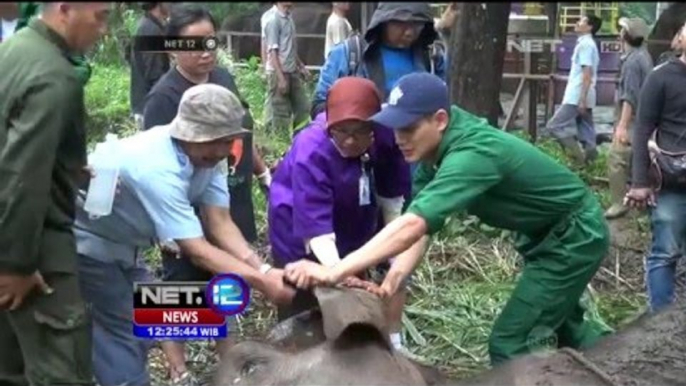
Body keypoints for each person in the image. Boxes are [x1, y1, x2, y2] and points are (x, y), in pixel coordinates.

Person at [284, 72, 613, 366]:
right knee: (568, 328)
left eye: (409, 128)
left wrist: (334, 271)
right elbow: (424, 224)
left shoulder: (471, 156)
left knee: (509, 342)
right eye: (396, 128)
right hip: (545, 235)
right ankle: (622, 361)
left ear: (439, 120)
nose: (400, 139)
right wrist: (396, 275)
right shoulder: (435, 151)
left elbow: (411, 225)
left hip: (572, 237)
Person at [74, 84, 296, 386]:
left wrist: (265, 269)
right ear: (190, 134)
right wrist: (263, 283)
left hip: (125, 248)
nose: (222, 150)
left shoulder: (210, 160)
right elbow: (196, 249)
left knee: (149, 318)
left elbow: (219, 223)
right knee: (126, 326)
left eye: (228, 140)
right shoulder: (155, 166)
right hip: (87, 247)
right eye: (214, 141)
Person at [141, 5, 272, 383]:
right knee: (180, 291)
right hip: (184, 209)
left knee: (224, 286)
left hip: (227, 197)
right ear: (173, 49)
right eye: (193, 43)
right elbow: (154, 166)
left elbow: (243, 133)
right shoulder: (163, 99)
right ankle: (178, 369)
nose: (205, 51)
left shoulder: (224, 80)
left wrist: (262, 172)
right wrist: (164, 229)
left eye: (210, 41)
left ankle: (227, 364)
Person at [0, 3, 111, 385]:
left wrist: (66, 166)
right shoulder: (54, 76)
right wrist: (16, 264)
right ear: (65, 9)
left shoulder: (15, 50)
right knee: (61, 368)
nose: (104, 30)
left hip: (13, 229)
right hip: (35, 246)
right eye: (101, 16)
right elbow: (21, 174)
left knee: (11, 364)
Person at [268, 77, 411, 349]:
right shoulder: (312, 148)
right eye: (341, 131)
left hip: (354, 223)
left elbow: (392, 199)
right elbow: (316, 230)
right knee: (306, 299)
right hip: (300, 231)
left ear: (374, 124)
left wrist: (394, 257)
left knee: (352, 293)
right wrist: (339, 274)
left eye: (359, 131)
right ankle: (297, 355)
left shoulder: (385, 135)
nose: (349, 140)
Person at [624, 22, 686, 314]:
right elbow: (642, 128)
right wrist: (639, 181)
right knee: (666, 251)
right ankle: (661, 323)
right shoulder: (661, 77)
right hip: (670, 181)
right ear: (681, 39)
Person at [311, 2, 446, 118]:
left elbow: (447, 104)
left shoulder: (432, 58)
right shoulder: (350, 54)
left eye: (417, 24)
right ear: (384, 21)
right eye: (401, 24)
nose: (409, 32)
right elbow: (320, 106)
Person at [604, 17, 653, 220]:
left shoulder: (633, 62)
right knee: (638, 162)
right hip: (643, 120)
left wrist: (622, 126)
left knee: (616, 159)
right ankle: (640, 205)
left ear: (627, 36)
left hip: (632, 120)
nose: (619, 34)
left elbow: (629, 97)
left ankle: (619, 203)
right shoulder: (644, 56)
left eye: (622, 30)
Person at [545, 14, 602, 166]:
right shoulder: (588, 44)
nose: (577, 22)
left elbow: (587, 72)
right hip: (585, 93)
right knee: (586, 129)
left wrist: (581, 99)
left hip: (577, 94)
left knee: (554, 126)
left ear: (589, 27)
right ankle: (592, 162)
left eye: (581, 20)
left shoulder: (585, 45)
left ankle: (578, 159)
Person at [263, 2, 310, 133]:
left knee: (303, 108)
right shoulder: (273, 20)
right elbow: (272, 51)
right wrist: (280, 78)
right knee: (280, 114)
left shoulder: (289, 18)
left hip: (292, 70)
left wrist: (301, 66)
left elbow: (290, 48)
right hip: (279, 72)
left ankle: (300, 139)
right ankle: (278, 145)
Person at [129, 2, 171, 129]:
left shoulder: (152, 26)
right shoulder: (150, 30)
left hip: (150, 103)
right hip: (150, 106)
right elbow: (154, 73)